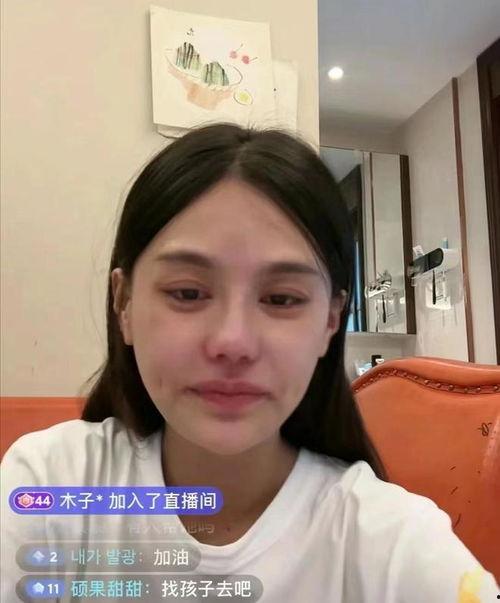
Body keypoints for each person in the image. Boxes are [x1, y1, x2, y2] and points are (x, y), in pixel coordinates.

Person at [1, 123, 498, 602]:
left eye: (281, 299)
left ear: (331, 320)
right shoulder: (51, 485)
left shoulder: (393, 543)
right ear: (124, 303)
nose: (233, 342)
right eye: (188, 292)